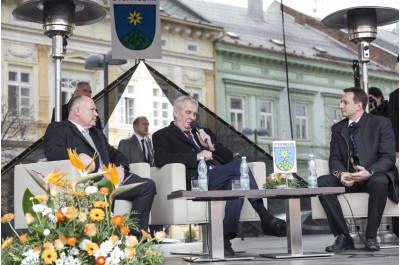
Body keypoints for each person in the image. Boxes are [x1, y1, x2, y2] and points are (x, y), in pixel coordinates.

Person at [152, 95, 286, 256]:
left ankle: (224, 241)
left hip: (220, 177)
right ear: (175, 112)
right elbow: (161, 159)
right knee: (239, 166)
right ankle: (264, 216)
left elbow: (229, 157)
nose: (192, 117)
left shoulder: (204, 133)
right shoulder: (163, 135)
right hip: (198, 181)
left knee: (236, 182)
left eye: (194, 114)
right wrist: (196, 156)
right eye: (188, 112)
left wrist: (211, 145)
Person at [43, 95, 156, 234]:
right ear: (77, 110)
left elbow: (116, 154)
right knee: (106, 190)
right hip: (91, 182)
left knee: (148, 185)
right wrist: (76, 157)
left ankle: (135, 237)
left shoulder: (96, 133)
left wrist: (121, 168)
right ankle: (108, 237)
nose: (96, 114)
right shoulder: (59, 128)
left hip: (113, 178)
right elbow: (52, 151)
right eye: (92, 110)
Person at [317, 87, 398, 252]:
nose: (341, 106)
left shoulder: (381, 123)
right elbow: (335, 158)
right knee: (323, 182)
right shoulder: (337, 128)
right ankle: (343, 236)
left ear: (359, 105)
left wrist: (369, 172)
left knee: (380, 180)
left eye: (345, 102)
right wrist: (341, 174)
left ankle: (371, 237)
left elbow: (388, 157)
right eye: (341, 102)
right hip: (349, 178)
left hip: (372, 176)